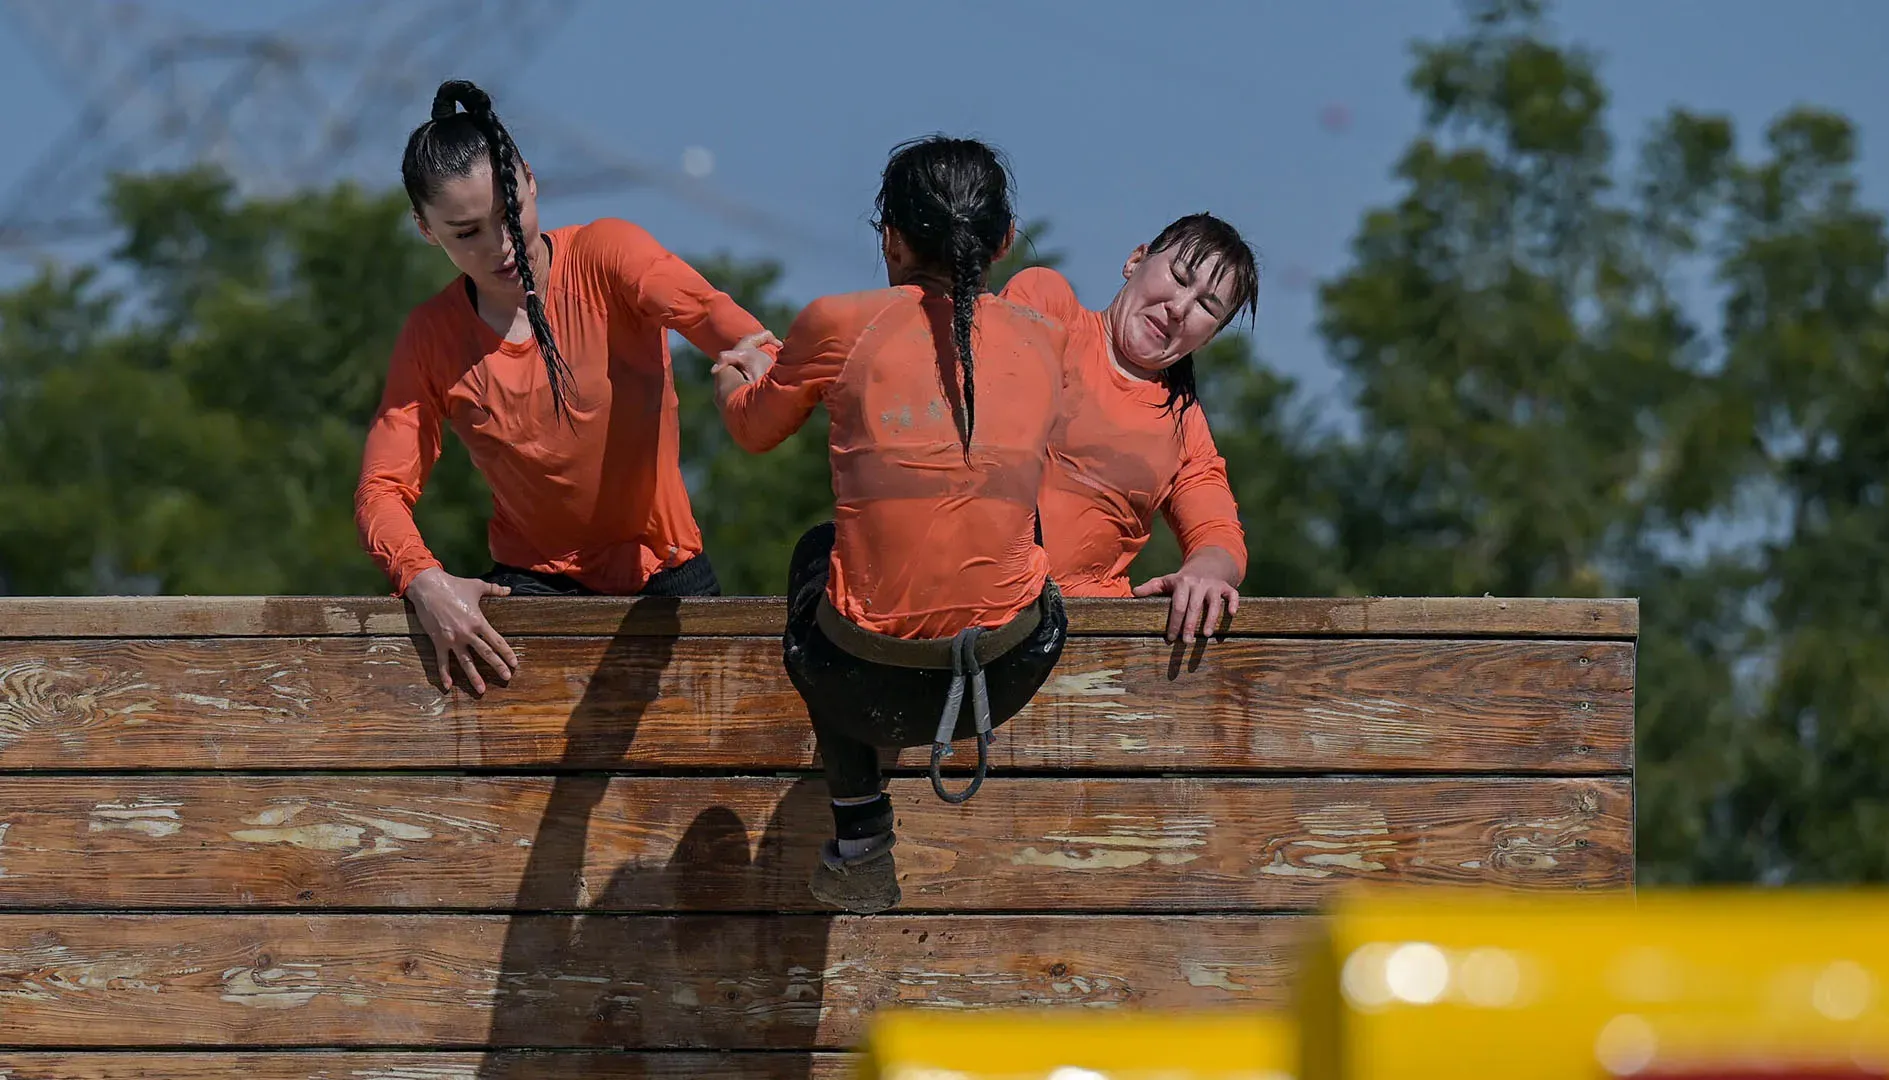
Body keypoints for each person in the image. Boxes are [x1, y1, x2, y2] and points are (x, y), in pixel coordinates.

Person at [712, 136, 1069, 914]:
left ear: (891, 240)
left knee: (819, 552)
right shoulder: (1049, 339)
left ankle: (861, 830)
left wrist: (734, 377)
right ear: (1003, 241)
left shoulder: (837, 323)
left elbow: (752, 429)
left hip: (863, 682)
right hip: (1007, 674)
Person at [355, 80, 780, 697]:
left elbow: (724, 325)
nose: (501, 245)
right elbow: (381, 490)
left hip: (667, 573)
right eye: (467, 233)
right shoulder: (431, 336)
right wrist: (426, 582)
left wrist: (755, 368)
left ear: (529, 179)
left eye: (509, 214)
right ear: (426, 230)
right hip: (533, 589)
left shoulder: (609, 254)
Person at [1001, 213, 1259, 644]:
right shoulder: (1049, 305)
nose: (1179, 308)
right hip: (968, 603)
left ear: (1209, 337)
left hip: (1083, 634)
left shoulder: (1185, 425)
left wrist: (1204, 575)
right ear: (1135, 260)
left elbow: (1219, 536)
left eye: (1206, 307)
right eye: (1178, 277)